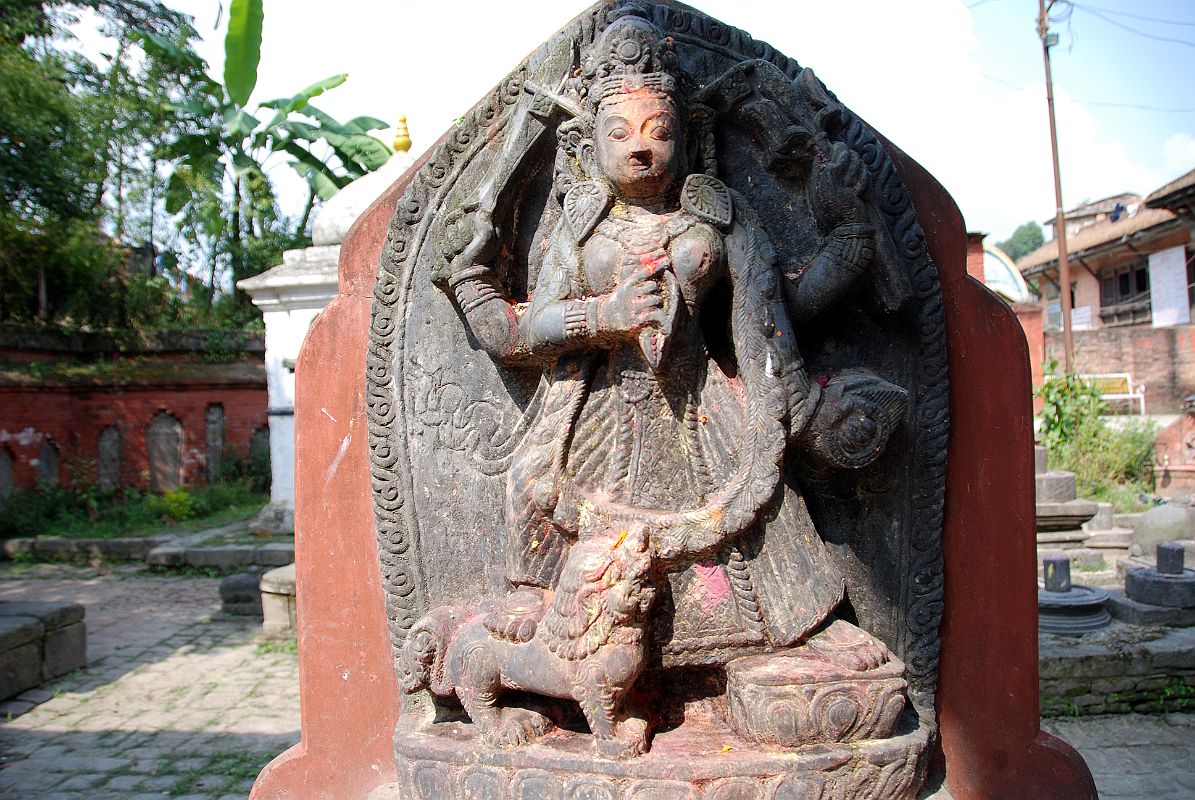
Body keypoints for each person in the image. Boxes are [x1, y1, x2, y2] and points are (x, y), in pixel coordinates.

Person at [442, 9, 876, 665]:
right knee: (537, 485)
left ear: (692, 137)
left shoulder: (717, 217)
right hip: (602, 407)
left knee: (761, 501)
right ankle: (541, 600)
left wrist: (848, 243)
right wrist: (603, 317)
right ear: (591, 148)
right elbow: (523, 332)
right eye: (620, 133)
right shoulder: (585, 225)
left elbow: (775, 316)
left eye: (659, 130)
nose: (641, 146)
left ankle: (796, 624)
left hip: (701, 403)